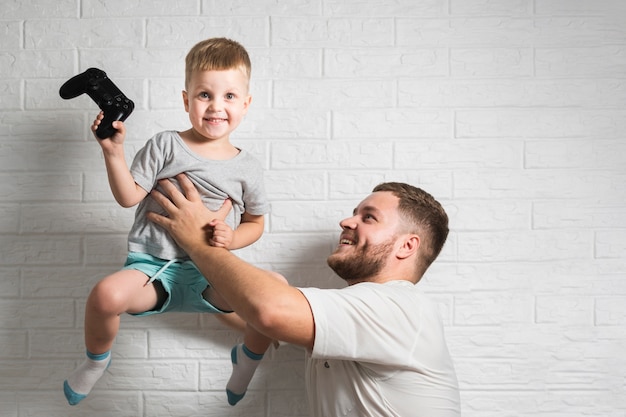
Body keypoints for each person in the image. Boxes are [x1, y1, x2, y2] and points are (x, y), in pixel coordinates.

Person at [64, 37, 277, 407]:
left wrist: (232, 237)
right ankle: (95, 361)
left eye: (229, 96)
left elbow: (255, 222)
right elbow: (129, 195)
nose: (216, 106)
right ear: (185, 100)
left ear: (246, 103)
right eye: (204, 95)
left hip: (214, 273)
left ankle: (246, 361)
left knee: (273, 294)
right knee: (105, 295)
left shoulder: (248, 167)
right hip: (151, 270)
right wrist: (113, 152)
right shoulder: (166, 145)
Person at [148, 174, 462, 416]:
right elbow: (253, 317)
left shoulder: (400, 307)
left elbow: (269, 310)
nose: (347, 221)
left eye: (369, 217)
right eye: (355, 213)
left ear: (407, 246)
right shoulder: (353, 319)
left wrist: (197, 243)